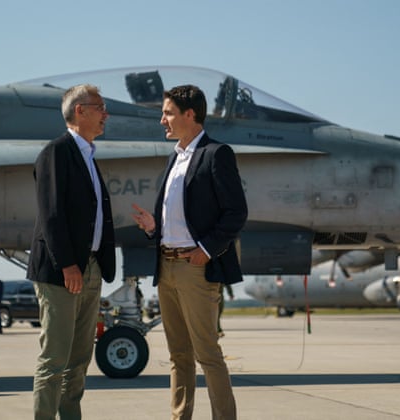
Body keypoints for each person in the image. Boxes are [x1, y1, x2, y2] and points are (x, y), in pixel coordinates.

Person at [132, 84, 247, 420]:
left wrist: (207, 249)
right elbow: (184, 216)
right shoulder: (176, 157)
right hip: (166, 266)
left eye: (167, 113)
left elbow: (236, 212)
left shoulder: (216, 153)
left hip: (195, 268)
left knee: (207, 354)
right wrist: (155, 228)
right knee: (178, 355)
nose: (162, 121)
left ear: (190, 115)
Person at [27, 83, 116, 419]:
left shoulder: (89, 156)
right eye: (100, 107)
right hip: (62, 272)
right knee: (54, 360)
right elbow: (51, 214)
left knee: (79, 362)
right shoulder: (56, 153)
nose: (105, 114)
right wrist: (68, 264)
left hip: (90, 268)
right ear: (80, 110)